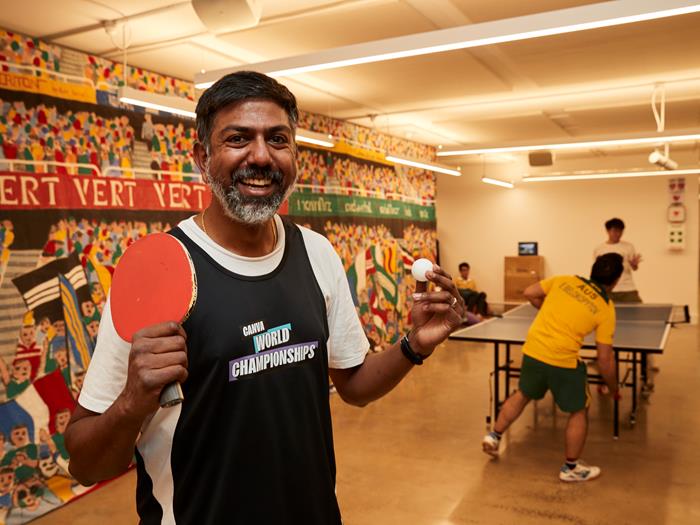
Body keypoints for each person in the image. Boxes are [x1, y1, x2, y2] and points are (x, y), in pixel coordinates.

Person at [65, 71, 466, 524]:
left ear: (294, 154)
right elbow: (85, 463)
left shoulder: (317, 253)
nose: (260, 155)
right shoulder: (160, 272)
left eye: (277, 139)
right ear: (202, 157)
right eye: (238, 138)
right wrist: (134, 400)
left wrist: (414, 346)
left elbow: (353, 384)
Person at [481, 253, 623, 482]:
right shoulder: (606, 308)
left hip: (534, 350)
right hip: (563, 361)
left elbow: (529, 292)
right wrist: (614, 388)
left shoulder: (565, 280)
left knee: (522, 394)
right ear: (615, 281)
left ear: (593, 269)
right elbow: (605, 359)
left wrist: (550, 310)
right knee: (579, 410)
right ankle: (571, 468)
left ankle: (494, 436)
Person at [593, 218, 642, 303]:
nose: (618, 234)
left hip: (628, 289)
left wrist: (634, 265)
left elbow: (634, 268)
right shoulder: (599, 249)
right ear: (608, 231)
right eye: (615, 231)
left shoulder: (628, 246)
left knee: (638, 311)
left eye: (620, 231)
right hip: (608, 290)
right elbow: (598, 272)